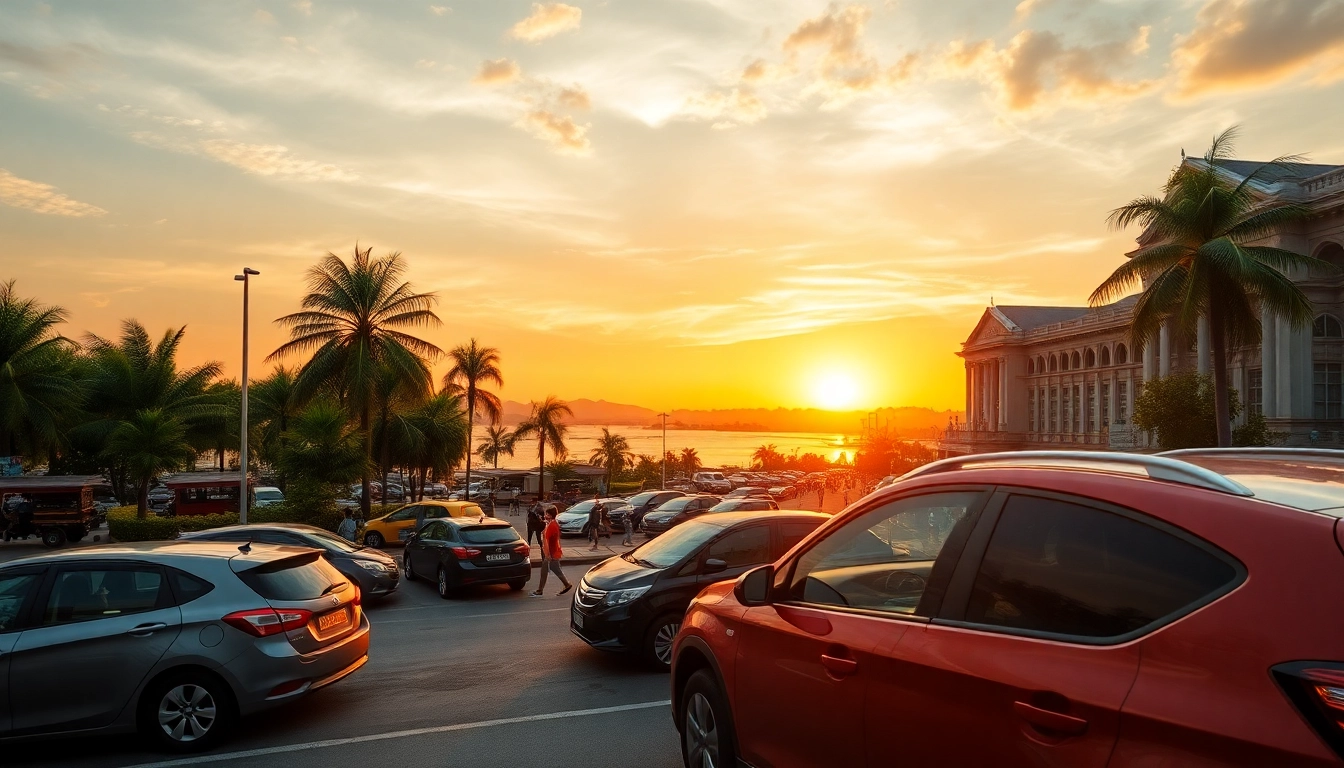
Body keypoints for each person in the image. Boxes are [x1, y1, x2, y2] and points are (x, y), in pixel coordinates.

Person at [531, 508, 573, 597]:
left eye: (547, 514)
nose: (545, 516)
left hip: (551, 554)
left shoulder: (552, 525)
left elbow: (548, 540)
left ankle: (540, 590)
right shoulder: (552, 523)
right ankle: (566, 584)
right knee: (552, 570)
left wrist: (548, 555)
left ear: (550, 515)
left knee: (548, 571)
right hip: (553, 553)